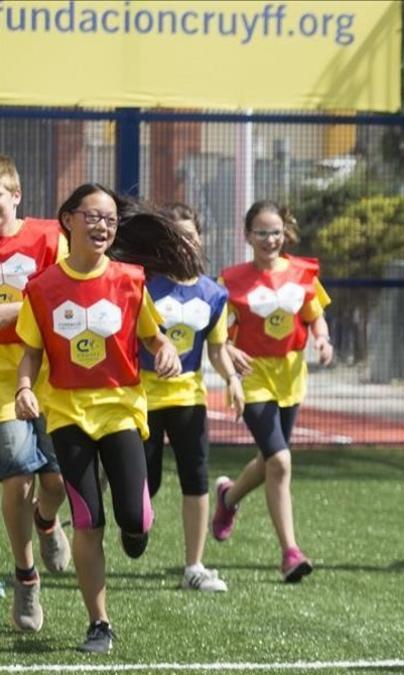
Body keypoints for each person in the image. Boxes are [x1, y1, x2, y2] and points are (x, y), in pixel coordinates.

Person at [14, 184, 193, 653]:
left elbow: (154, 338)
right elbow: (31, 353)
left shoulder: (131, 281)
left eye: (110, 220)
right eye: (93, 216)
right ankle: (100, 623)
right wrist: (25, 387)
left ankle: (137, 526)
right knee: (88, 519)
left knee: (131, 516)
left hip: (120, 411)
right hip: (68, 414)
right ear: (68, 219)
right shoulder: (43, 288)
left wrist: (167, 349)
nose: (102, 226)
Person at [210, 200, 333, 583]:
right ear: (247, 236)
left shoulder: (302, 273)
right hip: (251, 377)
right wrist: (228, 349)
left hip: (291, 376)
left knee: (269, 457)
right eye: (261, 232)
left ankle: (228, 498)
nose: (269, 239)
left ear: (285, 233)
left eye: (275, 231)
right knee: (280, 460)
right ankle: (290, 553)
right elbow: (215, 333)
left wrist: (323, 340)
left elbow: (315, 316)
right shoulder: (231, 280)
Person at [138, 203, 245, 592]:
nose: (184, 243)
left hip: (189, 399)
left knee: (195, 480)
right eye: (176, 236)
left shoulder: (214, 294)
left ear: (200, 240)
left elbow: (217, 350)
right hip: (143, 400)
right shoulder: (143, 286)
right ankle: (134, 522)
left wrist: (232, 379)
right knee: (145, 486)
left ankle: (194, 567)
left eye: (190, 235)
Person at [0, 154, 72, 633]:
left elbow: (66, 297)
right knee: (14, 469)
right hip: (2, 382)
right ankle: (26, 577)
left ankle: (48, 520)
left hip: (52, 374)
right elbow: (38, 305)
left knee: (59, 480)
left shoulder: (49, 237)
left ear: (15, 194)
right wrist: (28, 308)